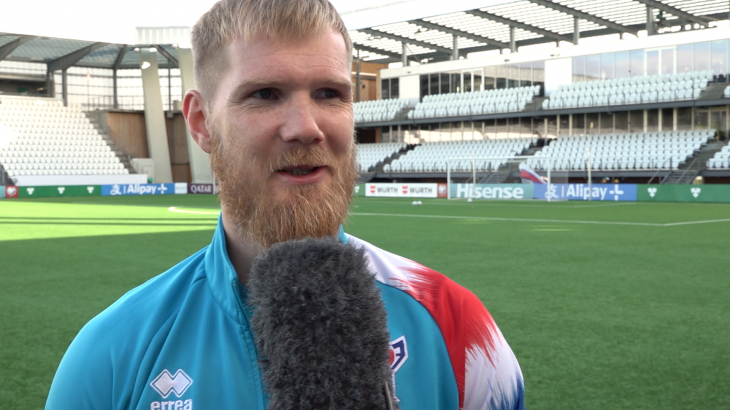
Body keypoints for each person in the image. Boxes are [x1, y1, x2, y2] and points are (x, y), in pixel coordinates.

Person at [45, 0, 524, 409]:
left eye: (329, 94)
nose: (305, 127)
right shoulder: (110, 354)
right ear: (201, 122)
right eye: (265, 94)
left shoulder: (458, 326)